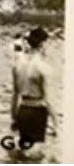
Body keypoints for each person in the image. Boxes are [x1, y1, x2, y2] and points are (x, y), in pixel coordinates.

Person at [11, 27, 58, 158]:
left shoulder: (17, 64)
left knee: (22, 152)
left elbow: (14, 95)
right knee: (36, 156)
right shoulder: (42, 67)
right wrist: (56, 124)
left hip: (22, 110)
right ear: (42, 44)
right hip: (37, 112)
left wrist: (14, 118)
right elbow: (48, 99)